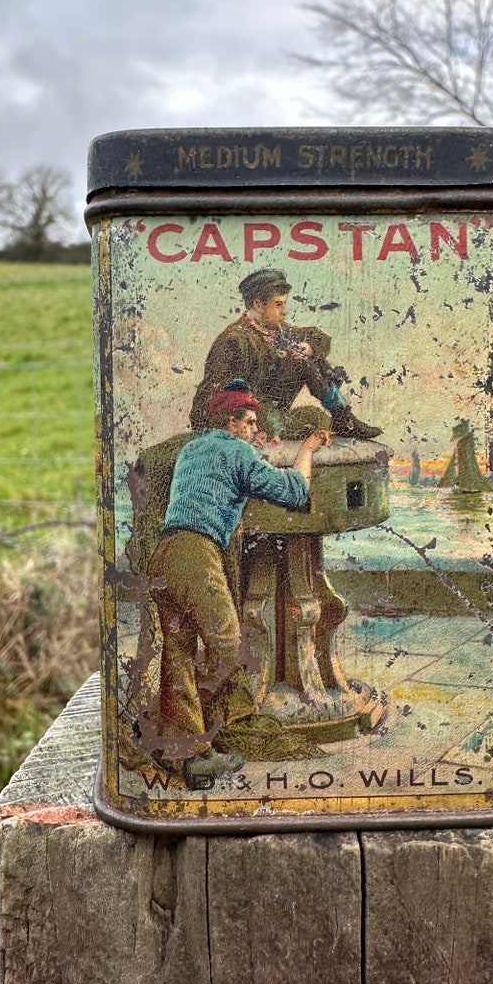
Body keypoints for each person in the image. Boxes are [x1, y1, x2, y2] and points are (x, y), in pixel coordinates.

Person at [148, 380, 332, 786]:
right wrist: (307, 451)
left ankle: (184, 753)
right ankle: (202, 726)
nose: (254, 429)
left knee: (178, 652)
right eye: (249, 422)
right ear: (231, 423)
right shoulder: (235, 449)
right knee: (228, 644)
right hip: (196, 555)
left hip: (164, 554)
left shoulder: (192, 450)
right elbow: (295, 492)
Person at [189, 267, 382, 441]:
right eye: (278, 305)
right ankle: (330, 422)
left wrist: (309, 348)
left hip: (274, 412)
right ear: (258, 305)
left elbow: (318, 336)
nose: (284, 311)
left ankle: (343, 418)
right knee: (312, 421)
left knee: (305, 358)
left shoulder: (279, 330)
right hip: (251, 416)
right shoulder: (233, 339)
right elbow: (209, 398)